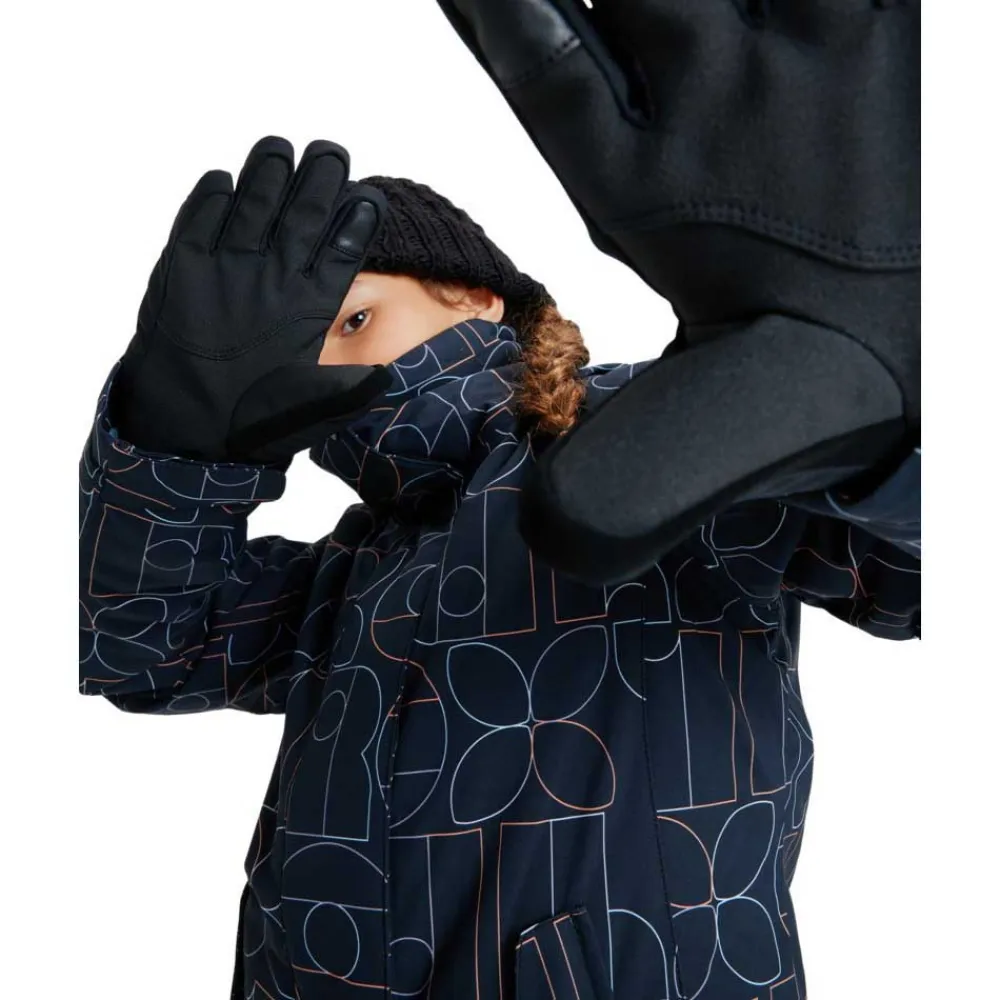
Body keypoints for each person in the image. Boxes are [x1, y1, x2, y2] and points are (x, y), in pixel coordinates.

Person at [79, 137, 920, 1000]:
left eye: (356, 321)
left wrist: (876, 413)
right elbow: (142, 648)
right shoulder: (353, 569)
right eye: (300, 355)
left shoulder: (642, 448)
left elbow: (908, 575)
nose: (329, 369)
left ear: (477, 299)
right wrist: (170, 437)